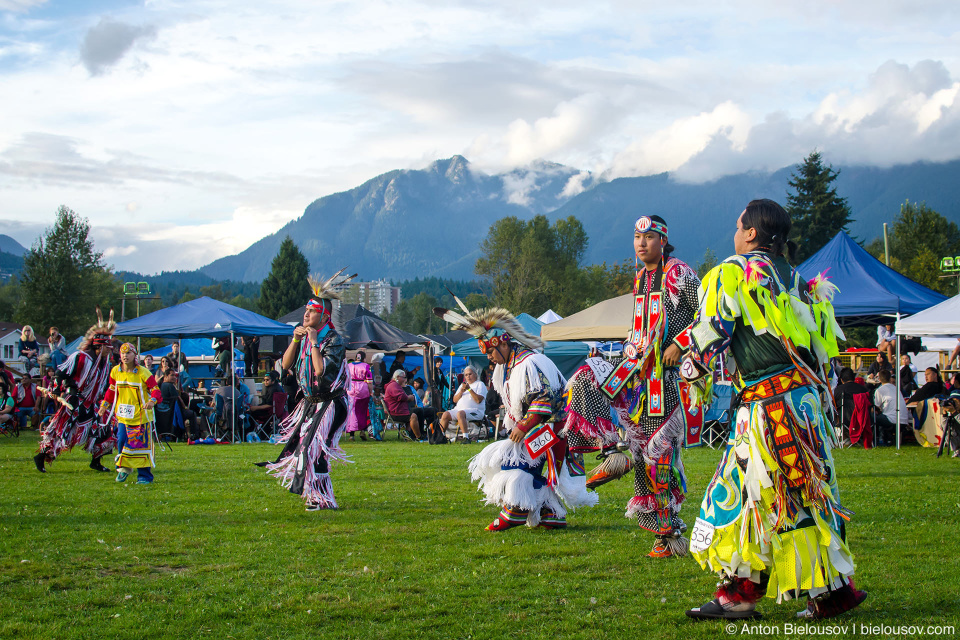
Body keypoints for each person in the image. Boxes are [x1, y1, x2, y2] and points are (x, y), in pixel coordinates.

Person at [680, 199, 865, 621]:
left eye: (737, 225)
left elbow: (711, 334)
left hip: (766, 409)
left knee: (745, 496)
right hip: (805, 408)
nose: (734, 233)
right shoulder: (801, 282)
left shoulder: (734, 272)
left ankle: (737, 596)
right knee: (808, 495)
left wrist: (688, 371)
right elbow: (822, 354)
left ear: (750, 234)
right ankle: (834, 593)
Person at [563, 214, 701, 557]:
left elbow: (709, 312)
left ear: (663, 240)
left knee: (655, 455)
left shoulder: (679, 273)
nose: (642, 243)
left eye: (649, 237)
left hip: (661, 377)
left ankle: (669, 537)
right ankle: (611, 454)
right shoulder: (641, 277)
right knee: (585, 377)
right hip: (632, 367)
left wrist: (680, 344)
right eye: (637, 237)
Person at [435, 302, 597, 531]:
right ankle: (549, 512)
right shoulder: (508, 367)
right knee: (518, 460)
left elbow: (543, 398)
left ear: (502, 343)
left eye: (490, 351)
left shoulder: (530, 363)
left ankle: (516, 509)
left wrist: (523, 425)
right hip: (543, 428)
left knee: (516, 463)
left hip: (552, 428)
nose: (489, 357)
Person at [266, 270, 355, 511]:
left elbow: (319, 371)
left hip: (331, 404)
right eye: (306, 310)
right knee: (306, 448)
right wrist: (295, 340)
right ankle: (319, 497)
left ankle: (321, 498)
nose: (306, 314)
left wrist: (315, 342)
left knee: (313, 450)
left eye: (312, 311)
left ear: (324, 316)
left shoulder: (333, 340)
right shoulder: (304, 337)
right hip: (312, 403)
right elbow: (284, 366)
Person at [34, 308, 117, 473]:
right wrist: (57, 391)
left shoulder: (104, 362)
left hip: (92, 404)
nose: (110, 351)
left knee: (104, 427)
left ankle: (96, 461)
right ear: (99, 347)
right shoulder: (80, 357)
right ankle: (42, 457)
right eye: (107, 348)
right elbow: (60, 373)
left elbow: (104, 384)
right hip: (75, 401)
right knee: (61, 432)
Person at [100, 343, 161, 484]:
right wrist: (105, 404)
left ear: (135, 355)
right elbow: (111, 390)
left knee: (140, 445)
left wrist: (152, 400)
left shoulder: (143, 372)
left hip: (141, 416)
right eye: (122, 353)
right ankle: (124, 468)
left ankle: (144, 476)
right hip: (123, 416)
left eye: (128, 353)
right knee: (121, 441)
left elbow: (156, 389)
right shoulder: (115, 371)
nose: (125, 356)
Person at [440, 365, 487, 442]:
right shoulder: (462, 385)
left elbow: (478, 400)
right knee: (445, 414)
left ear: (475, 374)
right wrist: (461, 391)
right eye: (466, 375)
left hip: (475, 411)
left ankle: (466, 438)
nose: (468, 377)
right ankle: (440, 436)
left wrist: (469, 389)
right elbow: (454, 400)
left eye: (470, 374)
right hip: (460, 410)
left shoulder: (480, 384)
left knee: (460, 413)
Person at [383, 370, 427, 440]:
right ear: (397, 377)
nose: (404, 380)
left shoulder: (395, 385)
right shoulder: (393, 385)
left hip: (398, 410)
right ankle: (419, 437)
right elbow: (401, 397)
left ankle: (411, 434)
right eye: (403, 377)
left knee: (417, 411)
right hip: (395, 412)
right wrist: (409, 397)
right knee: (413, 416)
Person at [873, 370, 909, 446]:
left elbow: (876, 406)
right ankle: (887, 439)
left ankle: (878, 440)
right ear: (890, 379)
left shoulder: (879, 390)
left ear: (879, 379)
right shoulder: (896, 389)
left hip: (892, 421)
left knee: (872, 417)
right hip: (904, 422)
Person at [345, 351, 373, 441]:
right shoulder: (366, 366)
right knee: (362, 411)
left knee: (351, 412)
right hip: (362, 389)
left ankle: (351, 435)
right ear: (363, 358)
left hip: (350, 389)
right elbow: (369, 381)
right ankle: (362, 431)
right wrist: (370, 391)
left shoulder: (348, 366)